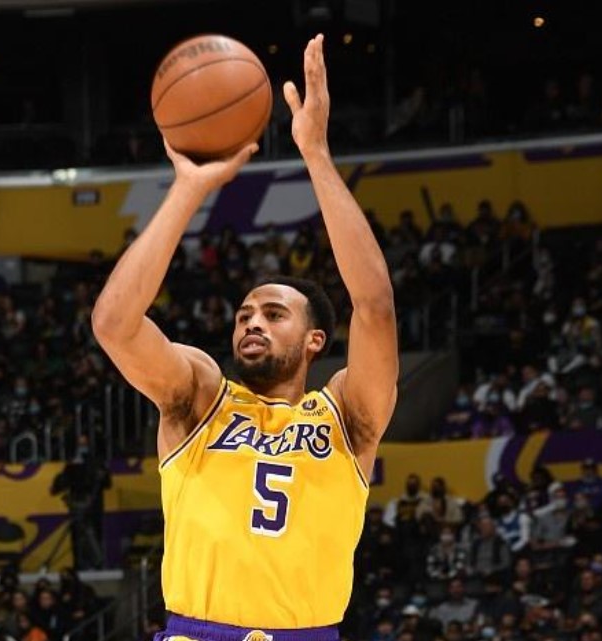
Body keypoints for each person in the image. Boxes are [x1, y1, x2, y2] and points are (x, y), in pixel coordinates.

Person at [93, 34, 398, 638]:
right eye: (244, 315)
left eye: (274, 314)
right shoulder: (200, 397)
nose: (252, 321)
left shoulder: (348, 415)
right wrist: (188, 188)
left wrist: (315, 154)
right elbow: (114, 325)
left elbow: (375, 306)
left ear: (315, 341)